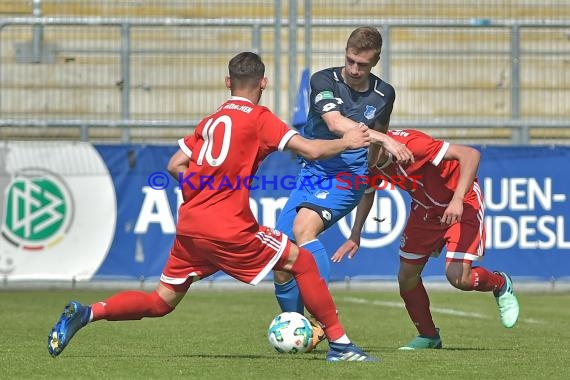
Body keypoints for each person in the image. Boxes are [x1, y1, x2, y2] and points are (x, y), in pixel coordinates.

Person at [46, 52, 379, 362]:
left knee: (160, 302)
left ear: (227, 82)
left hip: (191, 228)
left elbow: (176, 164)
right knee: (303, 261)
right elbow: (311, 150)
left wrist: (201, 190)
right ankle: (340, 345)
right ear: (263, 83)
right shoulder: (260, 118)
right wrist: (346, 142)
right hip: (229, 228)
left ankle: (89, 312)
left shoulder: (210, 121)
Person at [272, 26, 413, 334]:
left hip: (349, 176)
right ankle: (299, 327)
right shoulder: (323, 80)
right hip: (311, 173)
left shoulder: (384, 93)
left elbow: (378, 141)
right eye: (350, 60)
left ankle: (326, 321)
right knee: (280, 255)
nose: (353, 69)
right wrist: (385, 140)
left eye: (362, 64)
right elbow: (336, 124)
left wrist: (375, 162)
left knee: (303, 228)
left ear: (375, 61)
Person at [331, 128, 520, 349]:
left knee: (459, 278)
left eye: (362, 148)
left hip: (461, 203)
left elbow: (470, 154)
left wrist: (458, 200)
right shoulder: (368, 164)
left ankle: (500, 283)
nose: (359, 155)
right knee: (407, 276)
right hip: (425, 211)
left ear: (377, 141)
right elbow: (368, 192)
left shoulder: (412, 145)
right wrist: (355, 234)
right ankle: (429, 336)